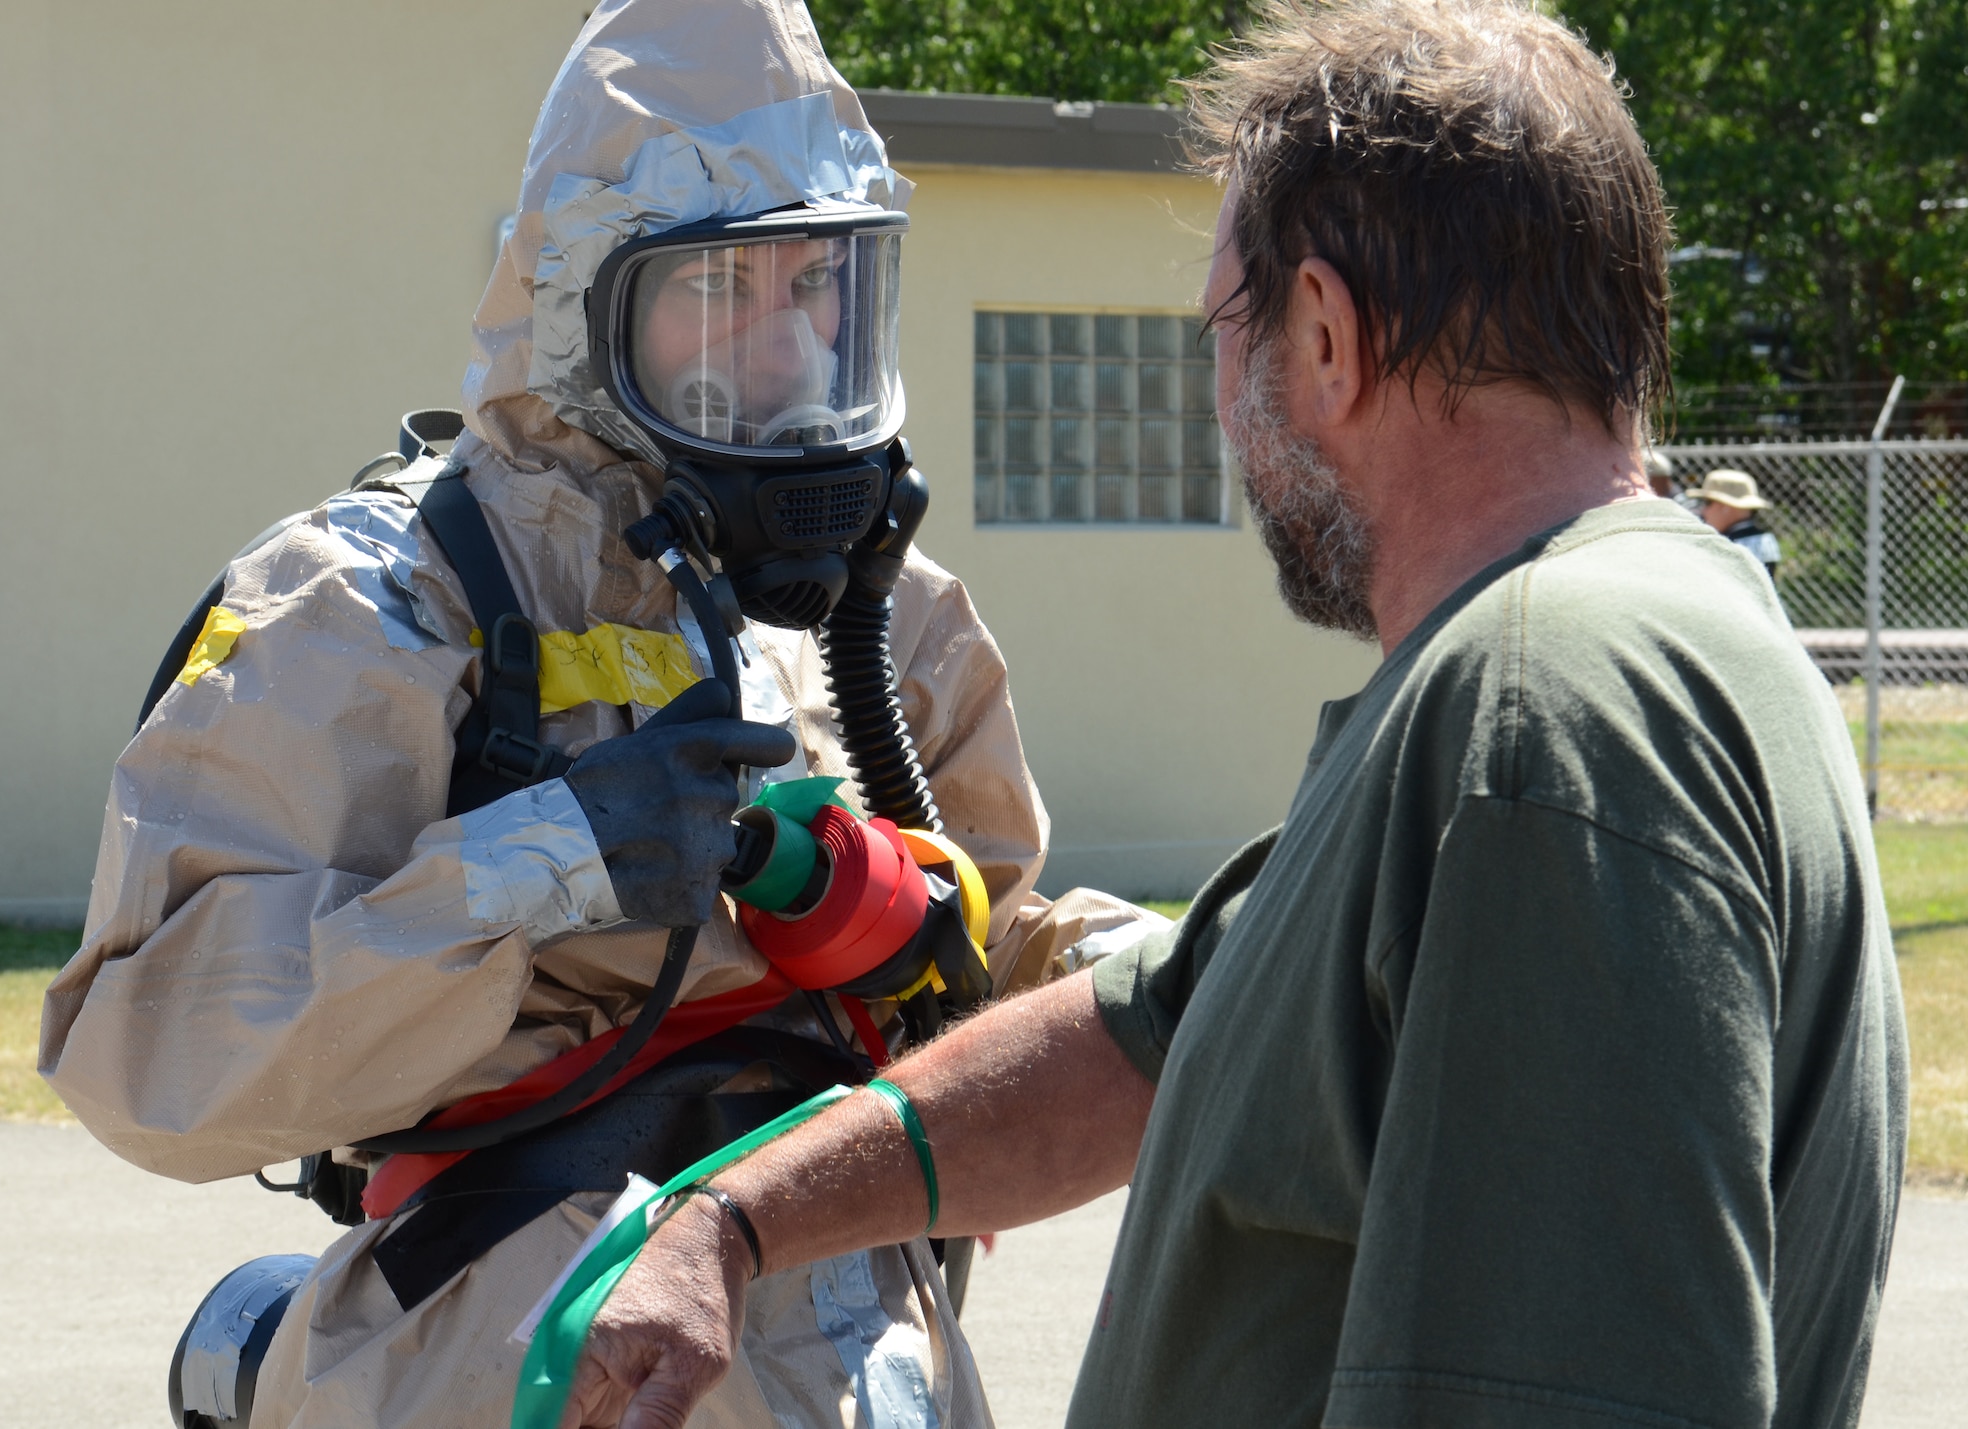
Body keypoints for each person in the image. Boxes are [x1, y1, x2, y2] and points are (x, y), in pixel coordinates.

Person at [555, 4, 1907, 1428]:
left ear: (1325, 335)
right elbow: (1156, 1038)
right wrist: (733, 1218)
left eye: (1218, 328)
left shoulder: (1542, 709)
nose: (1217, 397)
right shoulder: (1615, 646)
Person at [37, 2, 1151, 1426]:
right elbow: (155, 1063)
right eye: (723, 290)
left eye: (820, 283)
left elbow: (972, 937)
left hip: (861, 1326)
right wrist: (542, 861)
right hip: (511, 1342)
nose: (791, 352)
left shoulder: (886, 615)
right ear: (584, 307)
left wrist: (1186, 971)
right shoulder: (383, 603)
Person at [1689, 466, 1784, 575]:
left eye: (1708, 503)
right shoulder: (1767, 539)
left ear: (1726, 507)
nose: (1704, 511)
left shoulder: (1725, 545)